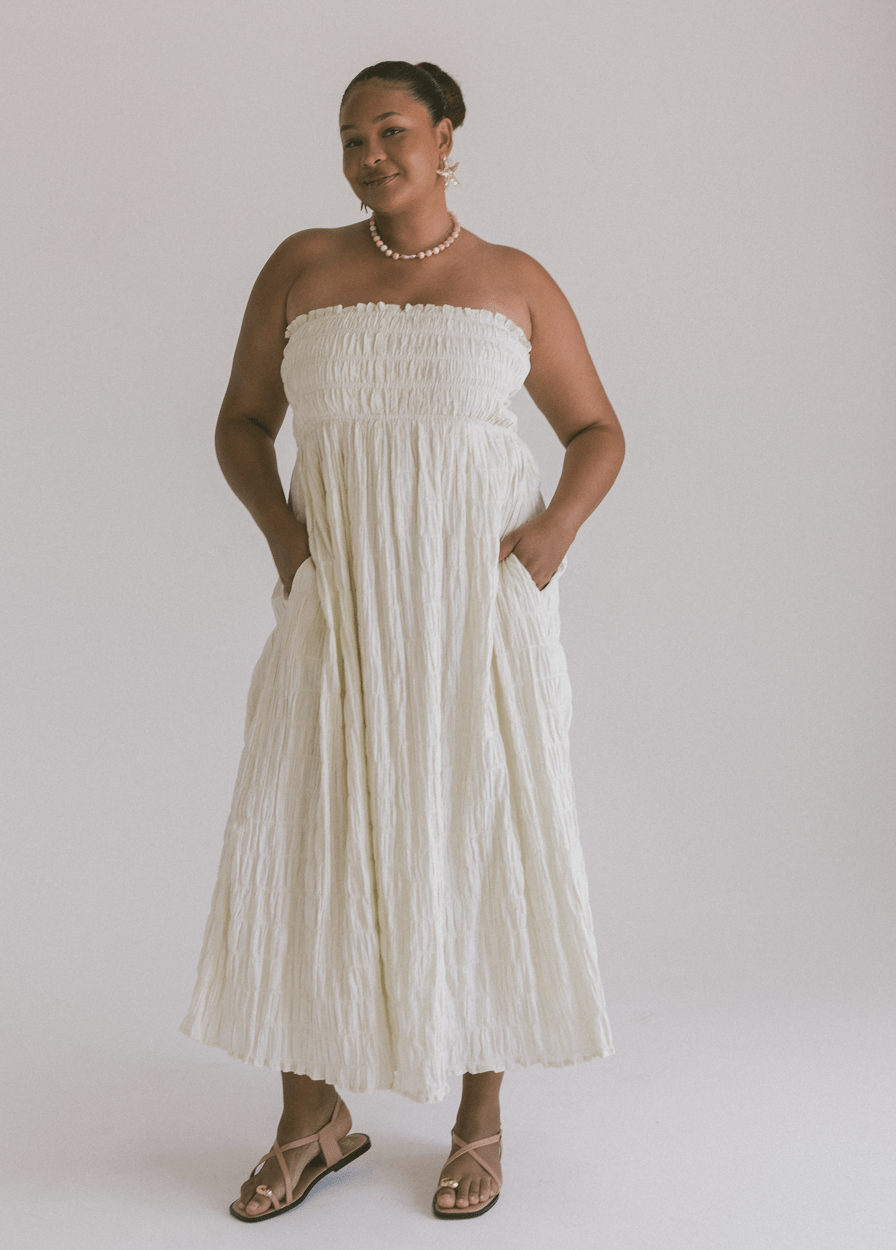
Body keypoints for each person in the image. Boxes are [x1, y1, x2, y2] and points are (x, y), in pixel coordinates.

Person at [181, 60, 625, 1222]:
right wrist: (289, 545)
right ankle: (310, 1117)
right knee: (311, 826)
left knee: (482, 827)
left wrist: (552, 533)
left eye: (390, 131)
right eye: (350, 138)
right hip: (341, 600)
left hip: (479, 608)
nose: (370, 156)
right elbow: (241, 422)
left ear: (445, 137)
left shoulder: (515, 280)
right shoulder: (302, 265)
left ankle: (478, 1118)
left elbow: (595, 428)